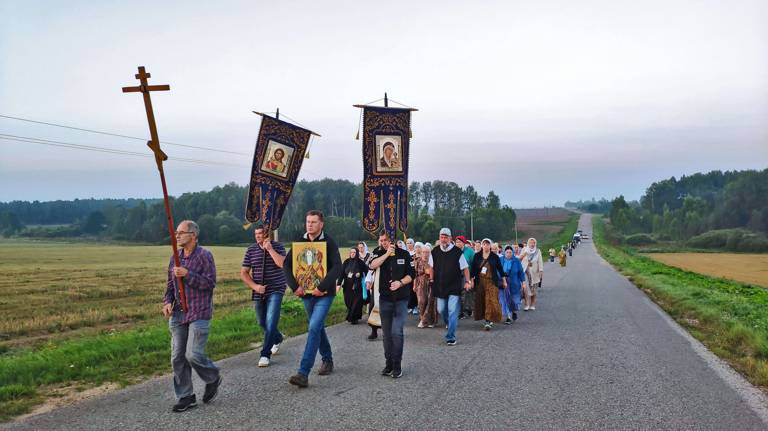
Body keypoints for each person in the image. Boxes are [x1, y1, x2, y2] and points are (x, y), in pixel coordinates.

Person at [163, 220, 222, 412]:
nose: (177, 235)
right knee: (177, 358)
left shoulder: (204, 256)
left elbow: (210, 283)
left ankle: (212, 377)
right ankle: (186, 396)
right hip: (178, 314)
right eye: (176, 232)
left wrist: (187, 274)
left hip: (199, 312)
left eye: (181, 232)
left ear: (193, 235)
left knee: (193, 355)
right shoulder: (175, 257)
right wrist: (166, 302)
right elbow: (170, 285)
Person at [285, 210, 342, 388]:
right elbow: (287, 265)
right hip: (306, 294)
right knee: (317, 327)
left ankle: (303, 373)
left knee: (314, 326)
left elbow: (337, 267)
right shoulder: (300, 243)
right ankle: (328, 359)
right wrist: (295, 287)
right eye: (308, 221)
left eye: (314, 222)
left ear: (321, 224)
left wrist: (321, 287)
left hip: (324, 294)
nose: (309, 225)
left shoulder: (329, 242)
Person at [368, 230, 415, 378]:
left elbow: (411, 275)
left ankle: (397, 365)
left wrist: (400, 283)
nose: (383, 242)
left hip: (401, 299)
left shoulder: (404, 254)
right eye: (381, 240)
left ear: (392, 240)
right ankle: (388, 363)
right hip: (385, 299)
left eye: (386, 240)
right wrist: (387, 253)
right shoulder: (378, 252)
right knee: (386, 334)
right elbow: (372, 265)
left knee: (396, 331)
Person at [240, 224, 287, 368]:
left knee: (271, 320)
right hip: (259, 290)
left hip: (276, 289)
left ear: (267, 234)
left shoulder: (278, 247)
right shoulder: (251, 250)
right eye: (256, 234)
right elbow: (244, 272)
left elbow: (283, 264)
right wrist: (255, 287)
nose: (258, 236)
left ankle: (265, 355)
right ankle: (277, 337)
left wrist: (270, 249)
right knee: (262, 322)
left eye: (261, 233)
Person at [430, 228, 472, 345]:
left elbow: (465, 268)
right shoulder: (435, 251)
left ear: (450, 238)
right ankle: (449, 322)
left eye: (445, 237)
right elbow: (431, 267)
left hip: (454, 286)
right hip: (440, 286)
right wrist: (432, 279)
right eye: (441, 237)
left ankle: (451, 337)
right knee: (441, 309)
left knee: (453, 310)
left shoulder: (457, 252)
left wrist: (468, 281)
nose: (443, 239)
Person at [470, 238, 507, 330]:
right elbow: (473, 270)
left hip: (491, 281)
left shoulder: (494, 257)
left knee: (490, 300)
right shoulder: (477, 256)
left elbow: (500, 270)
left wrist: (504, 281)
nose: (486, 246)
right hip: (480, 282)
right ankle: (486, 318)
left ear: (490, 246)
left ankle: (488, 320)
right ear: (482, 245)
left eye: (487, 244)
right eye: (484, 244)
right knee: (482, 300)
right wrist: (471, 280)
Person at [337, 247, 367, 324]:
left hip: (357, 286)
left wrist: (360, 274)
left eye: (354, 252)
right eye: (351, 252)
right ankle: (352, 315)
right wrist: (339, 284)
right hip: (347, 286)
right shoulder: (346, 262)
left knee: (356, 302)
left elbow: (367, 271)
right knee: (348, 302)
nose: (352, 254)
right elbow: (342, 274)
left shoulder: (360, 262)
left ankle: (353, 318)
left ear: (356, 253)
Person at [501, 245, 526, 323]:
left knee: (514, 300)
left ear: (513, 253)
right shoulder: (500, 260)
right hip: (504, 283)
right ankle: (508, 317)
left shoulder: (516, 261)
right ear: (504, 252)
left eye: (510, 252)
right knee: (505, 300)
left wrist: (523, 283)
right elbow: (497, 271)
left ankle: (514, 311)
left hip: (514, 283)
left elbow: (521, 272)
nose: (508, 254)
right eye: (507, 252)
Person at [414, 243, 436, 328]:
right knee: (421, 301)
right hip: (420, 283)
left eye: (427, 252)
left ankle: (429, 321)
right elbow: (415, 274)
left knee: (430, 302)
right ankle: (423, 319)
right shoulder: (417, 261)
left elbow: (434, 271)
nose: (425, 253)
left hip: (431, 282)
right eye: (424, 252)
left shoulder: (433, 261)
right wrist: (414, 285)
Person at [521, 238, 545, 311]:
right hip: (525, 271)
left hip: (534, 273)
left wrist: (541, 271)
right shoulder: (524, 249)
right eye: (531, 243)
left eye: (533, 243)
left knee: (533, 289)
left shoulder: (538, 251)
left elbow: (540, 261)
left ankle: (532, 304)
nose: (532, 244)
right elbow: (520, 258)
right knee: (526, 289)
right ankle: (526, 304)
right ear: (528, 243)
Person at [455, 235, 475, 320]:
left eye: (459, 242)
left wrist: (472, 278)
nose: (457, 243)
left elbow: (474, 265)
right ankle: (460, 312)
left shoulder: (470, 251)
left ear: (463, 243)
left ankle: (468, 309)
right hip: (456, 275)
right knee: (457, 293)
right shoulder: (454, 251)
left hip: (467, 274)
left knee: (466, 293)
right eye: (456, 242)